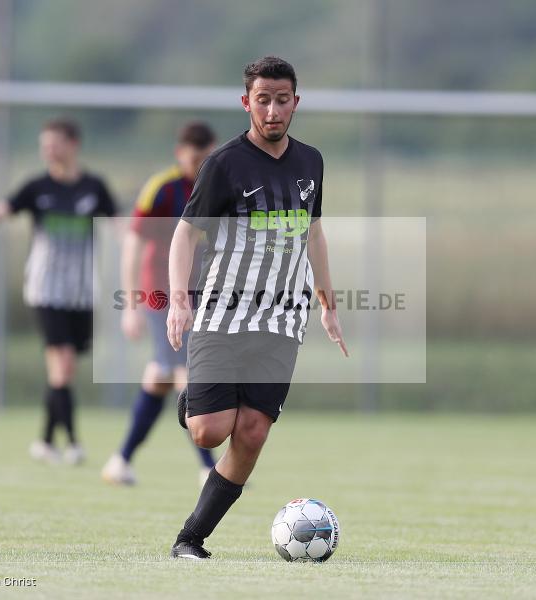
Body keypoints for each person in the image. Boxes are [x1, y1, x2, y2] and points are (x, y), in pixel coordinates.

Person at [165, 56, 348, 560]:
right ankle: (194, 403)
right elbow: (185, 234)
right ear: (247, 103)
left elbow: (313, 233)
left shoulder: (312, 162)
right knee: (208, 431)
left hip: (282, 320)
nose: (272, 110)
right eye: (262, 100)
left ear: (295, 102)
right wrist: (178, 299)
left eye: (282, 99)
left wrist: (328, 304)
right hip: (222, 314)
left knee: (252, 431)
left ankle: (190, 539)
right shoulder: (224, 164)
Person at [0, 118, 117, 464]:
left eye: (54, 144)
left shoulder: (94, 187)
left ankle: (44, 441)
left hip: (82, 292)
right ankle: (73, 443)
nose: (48, 151)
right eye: (44, 145)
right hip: (47, 290)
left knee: (62, 370)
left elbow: (121, 225)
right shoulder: (37, 187)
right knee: (63, 366)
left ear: (73, 144)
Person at [101, 122, 218, 487]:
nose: (199, 164)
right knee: (185, 373)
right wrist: (132, 304)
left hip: (200, 295)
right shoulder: (162, 190)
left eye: (206, 157)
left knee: (160, 378)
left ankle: (120, 461)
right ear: (179, 152)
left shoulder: (217, 186)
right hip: (161, 295)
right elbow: (134, 245)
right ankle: (208, 468)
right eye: (194, 157)